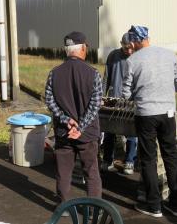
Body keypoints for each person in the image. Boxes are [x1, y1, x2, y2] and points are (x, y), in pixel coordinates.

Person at [122, 25, 177, 218]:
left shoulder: (132, 60)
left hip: (146, 114)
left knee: (148, 159)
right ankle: (176, 204)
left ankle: (154, 206)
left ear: (133, 41)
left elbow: (125, 94)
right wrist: (165, 93)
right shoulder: (170, 55)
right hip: (167, 113)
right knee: (171, 156)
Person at [45, 31, 102, 215]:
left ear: (67, 50)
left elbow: (49, 100)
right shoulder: (93, 73)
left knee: (63, 171)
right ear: (83, 48)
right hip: (87, 134)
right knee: (91, 172)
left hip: (64, 132)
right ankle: (95, 209)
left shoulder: (54, 73)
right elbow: (95, 105)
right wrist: (81, 126)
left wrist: (65, 119)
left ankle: (64, 207)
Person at [101, 33, 137, 175]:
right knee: (109, 131)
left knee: (131, 132)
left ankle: (129, 162)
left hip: (131, 101)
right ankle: (107, 161)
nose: (128, 51)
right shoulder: (113, 55)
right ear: (121, 44)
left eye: (131, 48)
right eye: (126, 47)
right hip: (113, 100)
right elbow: (106, 78)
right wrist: (102, 96)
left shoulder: (137, 57)